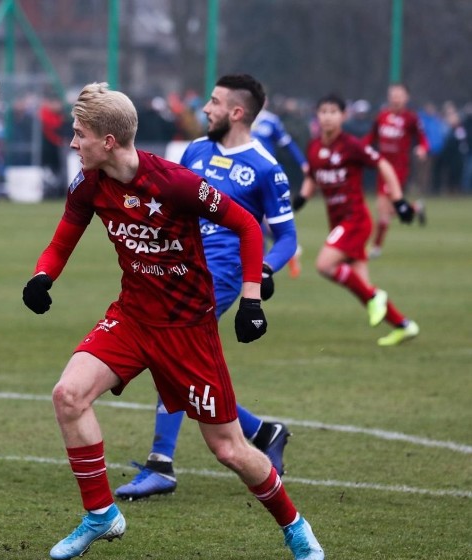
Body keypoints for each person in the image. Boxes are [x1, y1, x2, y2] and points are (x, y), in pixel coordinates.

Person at [22, 82, 324, 560]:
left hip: (187, 330)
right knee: (68, 395)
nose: (72, 143)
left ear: (110, 141)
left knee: (228, 449)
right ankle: (100, 514)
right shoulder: (89, 184)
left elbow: (247, 224)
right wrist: (42, 277)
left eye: (79, 135)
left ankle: (295, 527)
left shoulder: (175, 183)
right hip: (132, 318)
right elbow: (62, 241)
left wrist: (251, 301)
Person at [114, 74, 297, 501]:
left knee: (169, 351)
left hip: (224, 274)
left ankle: (161, 463)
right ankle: (262, 430)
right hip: (180, 268)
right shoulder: (196, 150)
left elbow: (287, 236)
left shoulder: (266, 168)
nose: (206, 109)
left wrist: (265, 269)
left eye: (214, 103)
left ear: (236, 112)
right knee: (179, 364)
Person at [293, 94, 418, 347]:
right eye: (323, 111)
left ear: (343, 116)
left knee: (324, 265)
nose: (327, 116)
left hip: (355, 220)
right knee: (362, 286)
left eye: (333, 111)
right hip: (337, 221)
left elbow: (383, 164)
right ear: (317, 116)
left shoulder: (351, 145)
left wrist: (398, 200)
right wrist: (300, 200)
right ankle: (404, 325)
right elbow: (312, 177)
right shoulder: (314, 146)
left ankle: (376, 298)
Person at [363, 84, 428, 258]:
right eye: (393, 95)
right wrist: (360, 149)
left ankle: (376, 248)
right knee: (386, 209)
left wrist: (422, 148)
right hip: (381, 166)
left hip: (398, 169)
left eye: (400, 95)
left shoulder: (411, 118)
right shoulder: (382, 117)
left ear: (406, 98)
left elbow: (422, 139)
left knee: (383, 208)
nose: (396, 98)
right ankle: (415, 208)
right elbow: (371, 137)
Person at [251, 98, 308, 278]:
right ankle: (280, 255)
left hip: (266, 178)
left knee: (263, 220)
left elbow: (288, 144)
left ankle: (264, 264)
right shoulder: (240, 120)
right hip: (245, 176)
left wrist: (303, 163)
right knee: (258, 220)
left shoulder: (271, 121)